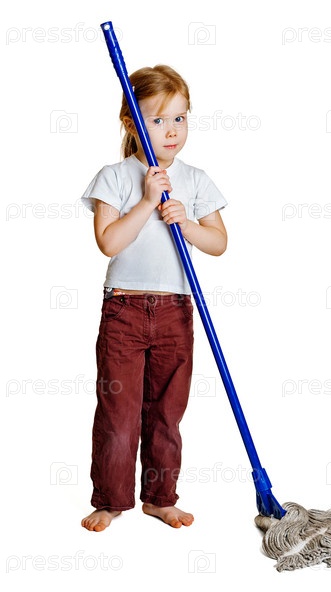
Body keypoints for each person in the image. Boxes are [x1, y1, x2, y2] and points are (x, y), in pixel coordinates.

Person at [80, 65, 228, 532]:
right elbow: (108, 242)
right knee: (119, 413)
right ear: (131, 122)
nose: (171, 130)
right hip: (124, 310)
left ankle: (160, 498)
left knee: (167, 412)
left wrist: (187, 223)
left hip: (176, 311)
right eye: (158, 120)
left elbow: (219, 242)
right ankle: (111, 500)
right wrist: (147, 202)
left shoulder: (196, 179)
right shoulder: (115, 177)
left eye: (180, 118)